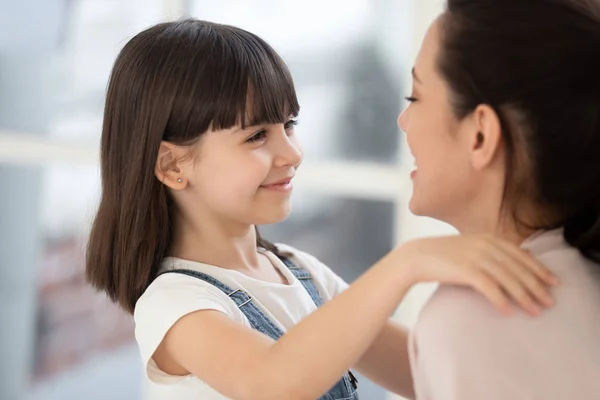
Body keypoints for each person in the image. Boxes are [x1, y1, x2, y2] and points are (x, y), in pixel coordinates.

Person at [85, 19, 556, 400]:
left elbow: (424, 376)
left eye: (289, 124)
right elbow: (273, 384)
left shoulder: (300, 273)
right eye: (256, 136)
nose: (292, 153)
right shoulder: (175, 303)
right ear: (171, 165)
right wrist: (409, 263)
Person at [399, 0, 600, 398]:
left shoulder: (473, 316)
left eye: (415, 98)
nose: (404, 121)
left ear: (480, 135)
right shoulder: (581, 274)